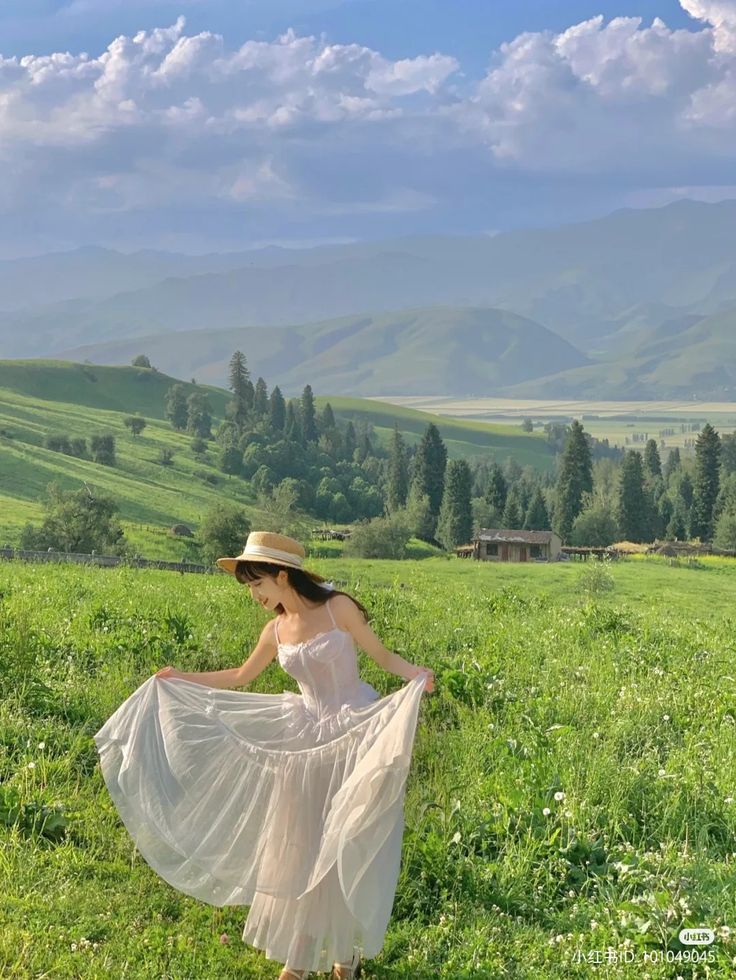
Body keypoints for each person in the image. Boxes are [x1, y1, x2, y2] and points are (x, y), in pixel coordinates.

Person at [94, 531, 435, 980]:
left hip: (351, 733)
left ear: (281, 574)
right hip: (301, 739)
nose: (255, 595)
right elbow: (240, 675)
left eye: (258, 584)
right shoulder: (275, 629)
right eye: (250, 587)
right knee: (299, 844)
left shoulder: (339, 609)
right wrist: (181, 678)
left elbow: (381, 655)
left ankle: (338, 957)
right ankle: (310, 956)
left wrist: (418, 676)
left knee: (341, 840)